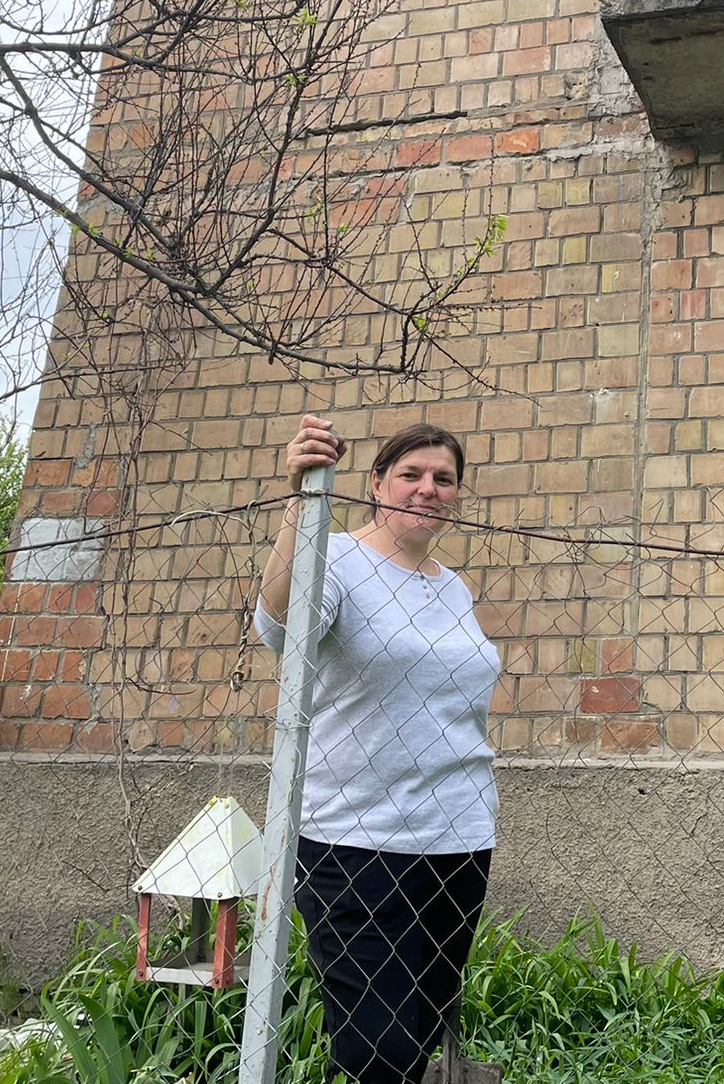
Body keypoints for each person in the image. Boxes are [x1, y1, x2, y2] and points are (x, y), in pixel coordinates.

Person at [254, 415, 501, 1084]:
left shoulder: (454, 588)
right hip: (354, 841)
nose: (428, 490)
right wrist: (301, 504)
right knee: (377, 1051)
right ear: (376, 484)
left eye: (443, 479)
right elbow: (279, 628)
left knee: (421, 1031)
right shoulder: (337, 558)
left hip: (457, 839)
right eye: (411, 475)